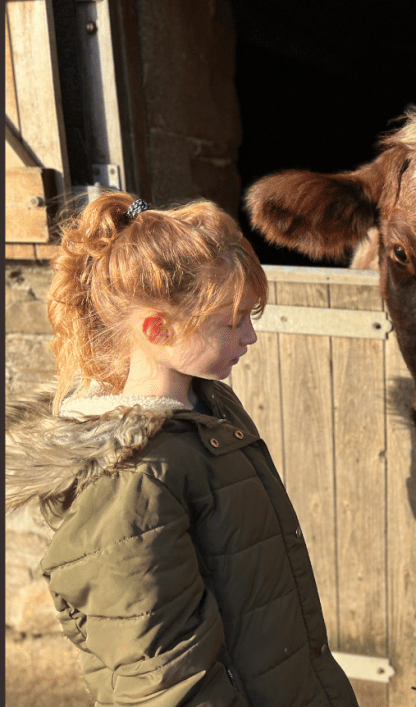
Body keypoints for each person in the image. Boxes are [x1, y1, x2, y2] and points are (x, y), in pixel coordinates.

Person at [5, 192, 359, 707]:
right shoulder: (130, 481)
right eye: (233, 320)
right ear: (158, 329)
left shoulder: (208, 408)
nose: (252, 336)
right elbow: (164, 682)